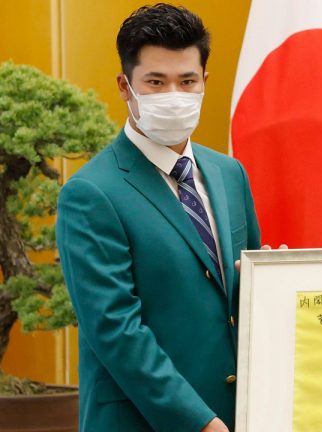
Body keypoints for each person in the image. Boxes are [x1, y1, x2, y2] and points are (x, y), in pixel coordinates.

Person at [56, 4, 260, 431]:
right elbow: (117, 332)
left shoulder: (229, 174)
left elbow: (246, 297)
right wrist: (201, 423)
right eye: (155, 82)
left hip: (241, 414)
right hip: (144, 420)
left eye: (187, 81)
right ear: (125, 86)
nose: (174, 95)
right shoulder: (91, 194)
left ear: (205, 81)